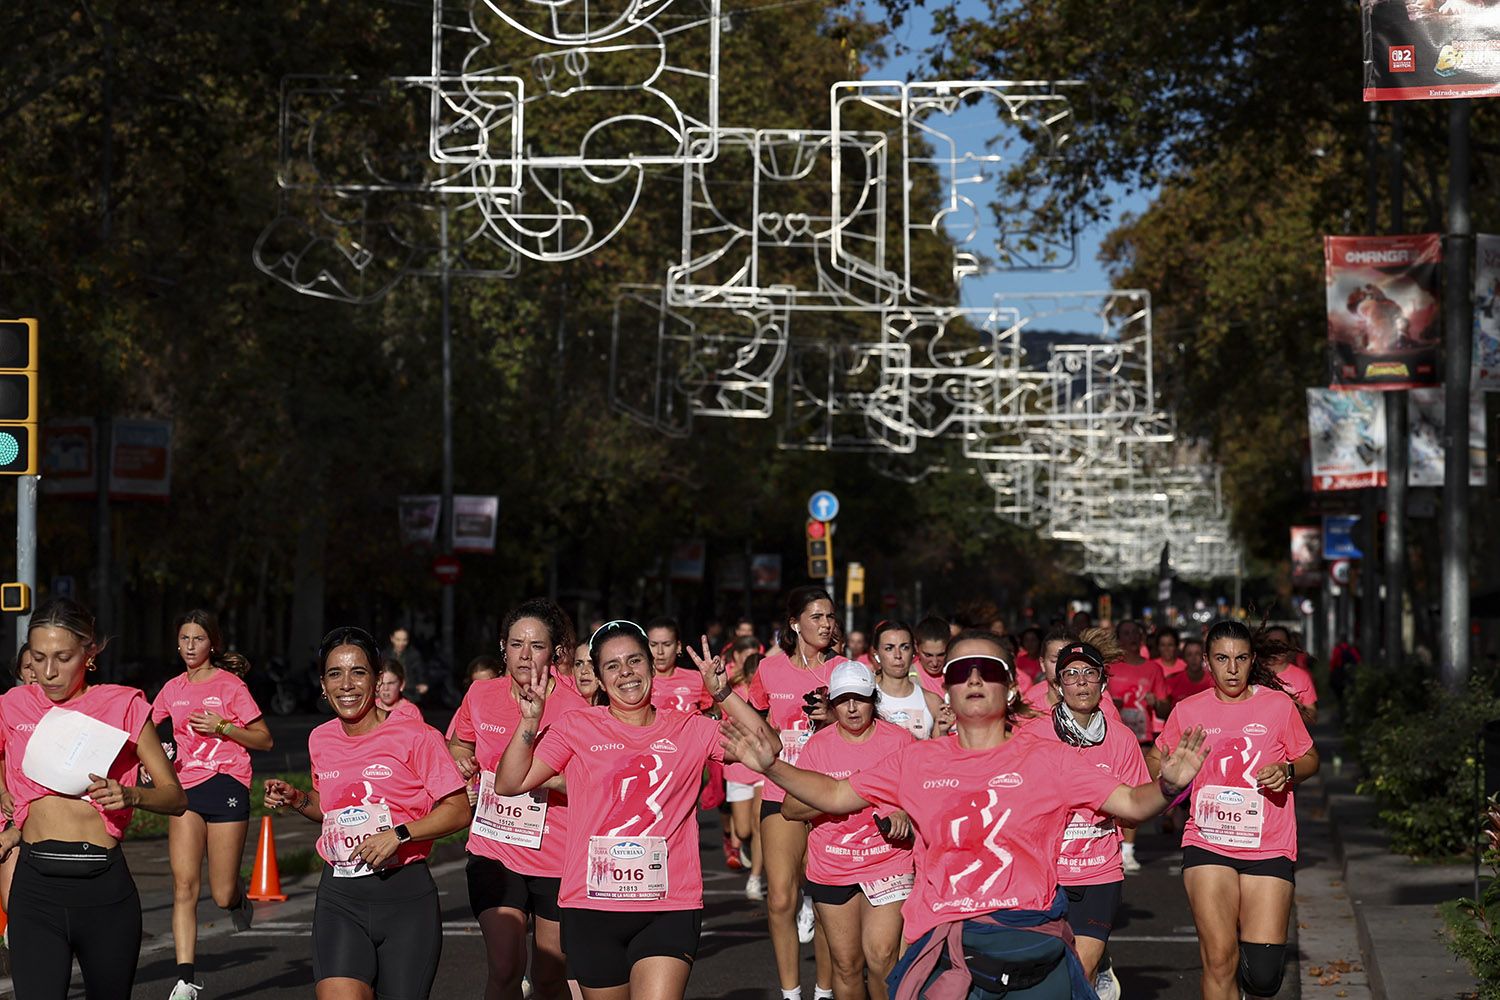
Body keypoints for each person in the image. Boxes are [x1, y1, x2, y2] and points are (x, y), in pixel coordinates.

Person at [720, 627, 1210, 1000]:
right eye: (959, 672)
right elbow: (831, 793)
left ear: (1012, 689)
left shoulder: (1049, 758)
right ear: (946, 690)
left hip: (1028, 944)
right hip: (945, 949)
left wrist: (1168, 784)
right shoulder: (918, 759)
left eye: (989, 670)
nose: (974, 679)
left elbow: (1129, 803)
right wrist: (772, 765)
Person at [494, 623, 734, 1000]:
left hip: (667, 902)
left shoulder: (689, 728)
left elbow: (764, 749)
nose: (625, 672)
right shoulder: (577, 726)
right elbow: (509, 784)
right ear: (601, 680)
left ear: (652, 668)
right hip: (593, 903)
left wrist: (724, 694)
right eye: (612, 666)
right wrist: (529, 721)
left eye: (635, 660)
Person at [264, 626, 470, 1000]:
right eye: (334, 674)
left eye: (358, 672)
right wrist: (296, 798)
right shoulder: (320, 738)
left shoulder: (417, 737)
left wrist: (399, 834)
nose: (347, 684)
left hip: (405, 898)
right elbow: (329, 808)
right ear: (323, 686)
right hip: (340, 895)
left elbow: (458, 811)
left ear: (377, 680)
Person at [0, 597, 187, 999]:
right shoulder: (13, 705)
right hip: (35, 891)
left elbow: (175, 798)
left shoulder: (123, 706)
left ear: (90, 652)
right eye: (38, 657)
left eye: (63, 657)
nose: (49, 672)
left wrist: (131, 794)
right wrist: (7, 802)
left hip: (105, 892)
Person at [1150, 619, 1319, 1000]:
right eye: (1222, 659)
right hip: (1208, 843)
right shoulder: (1188, 710)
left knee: (1263, 977)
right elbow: (1159, 760)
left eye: (1240, 659)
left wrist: (1287, 770)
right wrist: (1166, 776)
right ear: (1207, 663)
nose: (1232, 668)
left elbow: (1310, 757)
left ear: (1252, 659)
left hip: (1268, 846)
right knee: (1219, 959)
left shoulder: (1277, 706)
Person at [446, 599, 590, 1000]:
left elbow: (589, 778)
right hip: (495, 848)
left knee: (549, 978)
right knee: (506, 967)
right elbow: (458, 743)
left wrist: (537, 779)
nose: (525, 655)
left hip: (555, 856)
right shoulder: (480, 694)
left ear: (556, 651)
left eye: (537, 645)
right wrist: (461, 762)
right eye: (515, 645)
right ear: (502, 648)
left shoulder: (575, 709)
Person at [152, 610, 275, 1000]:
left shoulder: (230, 686)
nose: (190, 646)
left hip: (226, 783)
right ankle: (185, 980)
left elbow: (264, 739)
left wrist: (223, 727)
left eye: (198, 639)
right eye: (184, 639)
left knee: (220, 895)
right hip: (185, 790)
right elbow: (148, 731)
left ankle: (238, 896)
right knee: (184, 886)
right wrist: (149, 760)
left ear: (213, 644)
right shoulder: (171, 689)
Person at [781, 662, 915, 1000]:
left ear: (874, 698)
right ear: (833, 702)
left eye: (860, 698)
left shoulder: (900, 742)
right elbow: (790, 807)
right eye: (843, 700)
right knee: (845, 965)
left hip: (888, 860)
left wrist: (903, 813)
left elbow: (923, 798)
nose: (852, 708)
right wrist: (845, 794)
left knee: (882, 956)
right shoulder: (819, 746)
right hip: (833, 866)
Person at [1027, 636, 1149, 1000]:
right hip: (1046, 873)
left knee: (1082, 969)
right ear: (1057, 683)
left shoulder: (1122, 739)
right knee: (1045, 972)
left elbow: (1136, 811)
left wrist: (1166, 788)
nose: (1081, 681)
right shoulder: (1032, 736)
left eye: (1089, 673)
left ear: (1103, 682)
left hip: (1100, 872)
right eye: (1071, 674)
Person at [746, 586, 845, 1000]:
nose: (825, 624)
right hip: (780, 788)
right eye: (816, 617)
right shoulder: (769, 670)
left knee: (822, 899)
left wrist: (833, 717)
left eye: (829, 617)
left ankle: (823, 991)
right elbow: (753, 715)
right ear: (794, 624)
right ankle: (790, 993)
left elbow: (865, 725)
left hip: (827, 793)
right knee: (782, 898)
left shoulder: (844, 669)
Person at [1105, 619, 1170, 875]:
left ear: (1142, 637)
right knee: (1112, 793)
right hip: (1111, 738)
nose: (1131, 638)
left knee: (1134, 790)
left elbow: (1166, 707)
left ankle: (1128, 850)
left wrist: (1157, 702)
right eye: (1125, 633)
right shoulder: (1109, 667)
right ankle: (1110, 844)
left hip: (1141, 739)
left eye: (1135, 633)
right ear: (1117, 638)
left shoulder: (1153, 669)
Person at [723, 638, 767, 899]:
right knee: (743, 830)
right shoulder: (733, 692)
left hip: (762, 767)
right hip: (738, 767)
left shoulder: (771, 694)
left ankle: (755, 878)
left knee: (759, 823)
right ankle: (745, 845)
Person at [869, 620, 948, 740]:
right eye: (889, 648)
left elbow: (940, 750)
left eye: (905, 647)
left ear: (913, 651)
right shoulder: (866, 698)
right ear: (876, 654)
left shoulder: (933, 701)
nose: (898, 655)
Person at [0, 641, 32, 911]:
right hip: (14, 810)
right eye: (28, 667)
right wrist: (2, 792)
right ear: (20, 672)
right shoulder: (8, 703)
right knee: (10, 899)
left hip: (52, 813)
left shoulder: (67, 708)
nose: (36, 672)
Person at [645, 617, 713, 715]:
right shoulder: (639, 682)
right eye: (653, 645)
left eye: (667, 644)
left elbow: (714, 714)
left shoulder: (698, 679)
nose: (660, 652)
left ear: (678, 646)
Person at [1262, 626, 1318, 725]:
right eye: (1271, 643)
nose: (1276, 647)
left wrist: (1297, 711)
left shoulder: (1302, 676)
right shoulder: (1253, 674)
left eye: (1281, 643)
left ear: (1289, 646)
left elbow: (1312, 715)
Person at [911, 616, 951, 699]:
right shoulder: (906, 677)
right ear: (916, 647)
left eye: (941, 655)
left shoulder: (958, 674)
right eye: (928, 655)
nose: (935, 663)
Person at [385, 627, 427, 701]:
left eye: (404, 640)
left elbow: (420, 672)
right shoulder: (385, 655)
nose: (401, 643)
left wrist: (422, 684)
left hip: (409, 693)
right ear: (392, 639)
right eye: (398, 640)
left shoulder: (414, 655)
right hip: (388, 692)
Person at [376, 658, 423, 723]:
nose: (385, 688)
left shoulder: (411, 712)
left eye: (391, 683)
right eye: (382, 683)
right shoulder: (370, 708)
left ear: (401, 685)